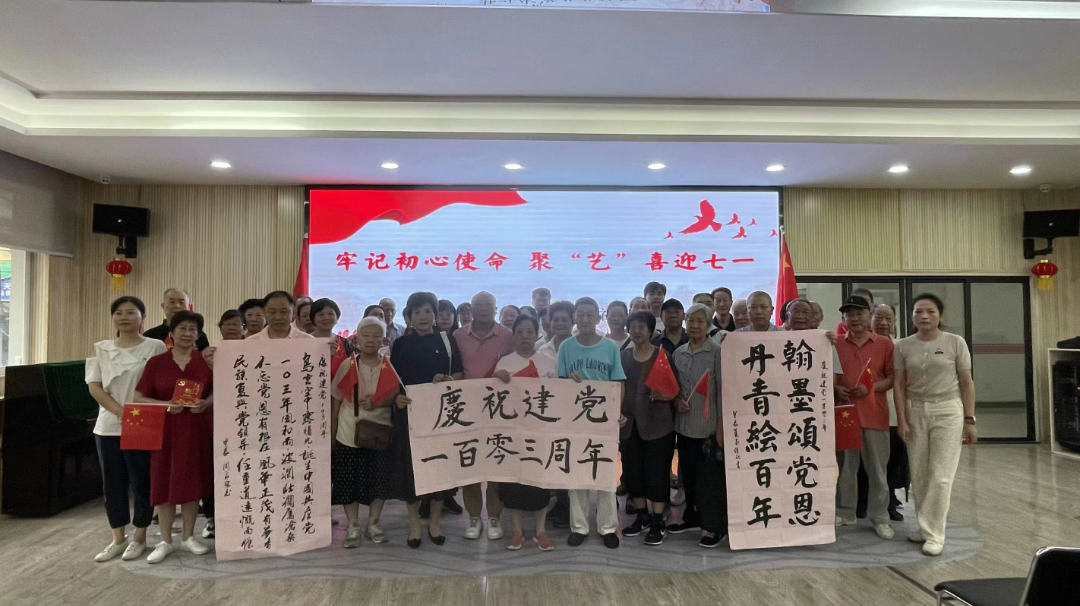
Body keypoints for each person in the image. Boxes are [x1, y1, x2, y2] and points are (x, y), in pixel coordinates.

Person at [86, 296, 168, 563]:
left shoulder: (155, 346)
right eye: (119, 313)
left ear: (142, 317)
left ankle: (140, 537)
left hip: (143, 424)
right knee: (113, 483)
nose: (124, 317)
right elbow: (95, 386)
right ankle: (117, 538)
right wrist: (121, 412)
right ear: (113, 318)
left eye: (131, 312)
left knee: (142, 481)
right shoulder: (102, 348)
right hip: (108, 426)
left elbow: (161, 382)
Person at [895, 294, 977, 557]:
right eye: (918, 311)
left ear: (940, 315)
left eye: (930, 311)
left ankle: (934, 534)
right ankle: (924, 527)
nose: (924, 316)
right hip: (915, 410)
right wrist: (901, 419)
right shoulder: (903, 346)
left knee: (941, 476)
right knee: (919, 474)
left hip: (947, 411)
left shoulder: (955, 342)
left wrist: (970, 419)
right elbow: (899, 384)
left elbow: (967, 383)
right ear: (912, 316)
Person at [134, 311, 214, 564]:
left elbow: (218, 391)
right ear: (172, 333)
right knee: (163, 483)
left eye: (193, 329)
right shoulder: (157, 363)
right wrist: (166, 405)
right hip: (164, 432)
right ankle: (165, 540)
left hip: (195, 430)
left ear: (198, 335)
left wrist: (206, 403)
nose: (187, 333)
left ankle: (189, 536)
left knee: (192, 482)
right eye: (182, 328)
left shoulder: (205, 362)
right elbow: (139, 397)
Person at [390, 292, 464, 548]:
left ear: (435, 315)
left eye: (428, 311)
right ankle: (414, 525)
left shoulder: (447, 340)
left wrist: (448, 380)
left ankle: (434, 522)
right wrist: (396, 398)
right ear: (409, 316)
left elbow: (458, 374)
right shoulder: (401, 344)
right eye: (417, 312)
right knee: (411, 471)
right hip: (409, 414)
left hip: (441, 414)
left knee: (439, 468)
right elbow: (394, 380)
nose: (423, 316)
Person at [558, 297, 626, 549]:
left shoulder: (609, 347)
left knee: (606, 473)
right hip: (575, 421)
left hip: (604, 421)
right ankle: (579, 526)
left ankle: (608, 527)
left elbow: (618, 382)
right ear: (575, 318)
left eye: (590, 315)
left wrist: (617, 412)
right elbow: (559, 385)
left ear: (598, 318)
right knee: (577, 474)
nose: (585, 319)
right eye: (580, 315)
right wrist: (569, 381)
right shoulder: (566, 347)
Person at [833, 295, 896, 541]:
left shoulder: (885, 344)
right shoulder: (835, 343)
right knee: (845, 469)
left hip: (874, 415)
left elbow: (892, 378)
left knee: (877, 471)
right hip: (844, 415)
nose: (855, 318)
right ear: (843, 318)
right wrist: (835, 388)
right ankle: (845, 513)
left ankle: (880, 517)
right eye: (849, 314)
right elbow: (826, 374)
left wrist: (871, 388)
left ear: (869, 316)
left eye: (860, 313)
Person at [492, 314, 556, 551]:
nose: (525, 336)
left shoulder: (548, 362)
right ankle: (517, 530)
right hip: (513, 431)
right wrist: (497, 380)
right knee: (515, 481)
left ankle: (540, 530)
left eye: (529, 331)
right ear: (513, 336)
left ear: (537, 334)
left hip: (541, 430)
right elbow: (493, 398)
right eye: (519, 332)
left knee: (540, 479)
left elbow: (558, 396)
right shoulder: (504, 362)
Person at [454, 291, 514, 540]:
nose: (483, 308)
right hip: (467, 409)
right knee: (470, 465)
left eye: (488, 304)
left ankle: (494, 518)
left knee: (496, 465)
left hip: (498, 408)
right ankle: (474, 518)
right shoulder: (458, 335)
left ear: (495, 308)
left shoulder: (508, 336)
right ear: (471, 309)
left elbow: (516, 367)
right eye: (478, 305)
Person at [331, 316, 394, 548]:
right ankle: (354, 525)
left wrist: (379, 401)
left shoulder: (390, 365)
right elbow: (336, 400)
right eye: (366, 335)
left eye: (376, 336)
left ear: (383, 340)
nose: (370, 340)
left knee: (379, 481)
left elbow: (397, 396)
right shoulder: (347, 365)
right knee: (349, 482)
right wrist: (332, 433)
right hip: (349, 432)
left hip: (379, 432)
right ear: (357, 339)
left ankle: (374, 523)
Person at [668, 303, 725, 548]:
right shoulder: (679, 352)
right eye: (691, 320)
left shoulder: (717, 352)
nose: (695, 325)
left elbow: (722, 391)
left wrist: (721, 425)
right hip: (684, 426)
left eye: (700, 321)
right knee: (688, 476)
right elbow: (674, 387)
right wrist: (676, 401)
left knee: (708, 480)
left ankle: (713, 527)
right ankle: (691, 517)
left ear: (708, 325)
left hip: (709, 428)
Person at [619, 311, 678, 546]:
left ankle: (657, 521)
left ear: (651, 331)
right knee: (632, 471)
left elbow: (675, 390)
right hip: (628, 425)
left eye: (641, 327)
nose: (636, 330)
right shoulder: (623, 357)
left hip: (658, 425)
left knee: (657, 473)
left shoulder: (662, 356)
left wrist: (666, 395)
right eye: (632, 326)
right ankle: (642, 516)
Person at [871, 303, 907, 522]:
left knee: (894, 461)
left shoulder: (901, 347)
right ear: (870, 319)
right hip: (870, 412)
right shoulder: (865, 345)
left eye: (888, 318)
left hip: (896, 413)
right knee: (873, 462)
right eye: (879, 318)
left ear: (894, 321)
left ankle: (891, 500)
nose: (883, 323)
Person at [144, 288, 210, 350]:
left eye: (181, 302)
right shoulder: (150, 335)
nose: (177, 306)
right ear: (163, 306)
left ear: (188, 306)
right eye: (172, 302)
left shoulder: (198, 335)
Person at [248, 291, 316, 340]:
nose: (278, 317)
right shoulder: (251, 342)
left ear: (293, 313)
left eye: (284, 312)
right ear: (264, 313)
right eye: (272, 312)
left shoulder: (307, 340)